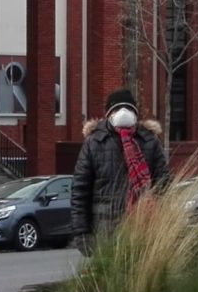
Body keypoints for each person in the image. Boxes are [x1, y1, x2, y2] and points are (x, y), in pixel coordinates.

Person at [71, 88, 169, 254]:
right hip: (105, 233)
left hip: (142, 231)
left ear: (135, 113)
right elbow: (80, 191)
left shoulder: (149, 141)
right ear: (109, 113)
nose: (123, 112)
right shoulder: (94, 143)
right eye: (117, 109)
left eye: (129, 108)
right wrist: (81, 233)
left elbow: (164, 185)